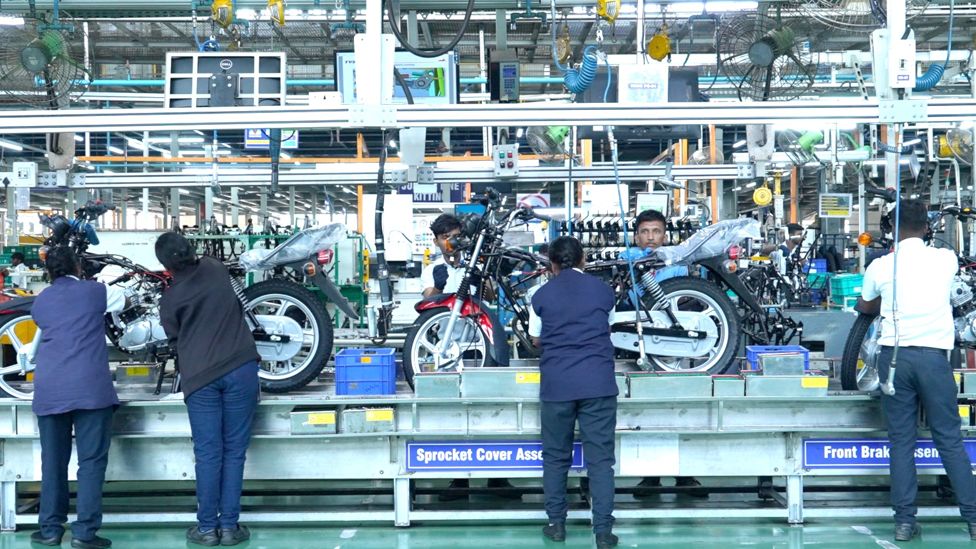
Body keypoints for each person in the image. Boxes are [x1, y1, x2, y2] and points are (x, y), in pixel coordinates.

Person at [857, 199, 976, 542]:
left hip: (894, 362)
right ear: (927, 228)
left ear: (891, 229)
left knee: (901, 443)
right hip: (935, 361)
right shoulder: (944, 259)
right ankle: (972, 519)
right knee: (950, 440)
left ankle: (905, 523)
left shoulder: (880, 266)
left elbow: (866, 304)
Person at [156, 232, 261, 547]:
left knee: (208, 453)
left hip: (200, 377)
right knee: (234, 451)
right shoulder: (216, 268)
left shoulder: (170, 298)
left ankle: (206, 529)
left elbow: (173, 339)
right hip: (240, 367)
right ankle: (229, 527)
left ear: (165, 265)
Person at [29, 247, 125, 549]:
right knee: (91, 462)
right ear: (78, 267)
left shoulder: (41, 300)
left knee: (53, 462)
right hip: (90, 389)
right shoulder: (96, 291)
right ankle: (84, 533)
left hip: (50, 387)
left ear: (49, 272)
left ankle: (50, 530)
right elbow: (123, 300)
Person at [420, 213, 516, 501]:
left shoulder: (477, 263)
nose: (451, 242)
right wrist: (438, 286)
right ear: (436, 242)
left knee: (492, 412)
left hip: (481, 346)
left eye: (455, 236)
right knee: (455, 415)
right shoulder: (432, 269)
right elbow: (427, 301)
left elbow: (491, 293)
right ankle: (459, 479)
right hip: (450, 352)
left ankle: (497, 478)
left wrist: (483, 277)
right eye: (444, 237)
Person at [530, 236, 618, 549]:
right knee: (600, 461)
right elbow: (607, 327)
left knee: (555, 458)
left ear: (551, 264)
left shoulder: (539, 295)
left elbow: (536, 339)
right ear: (583, 261)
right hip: (598, 383)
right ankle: (603, 532)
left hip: (557, 386)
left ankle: (556, 525)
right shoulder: (603, 290)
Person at [619, 209, 705, 499]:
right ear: (636, 235)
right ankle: (651, 475)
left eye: (656, 231)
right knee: (647, 410)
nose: (650, 238)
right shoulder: (625, 261)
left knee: (681, 409)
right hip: (640, 341)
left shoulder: (677, 262)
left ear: (665, 234)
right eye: (644, 232)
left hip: (675, 347)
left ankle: (686, 475)